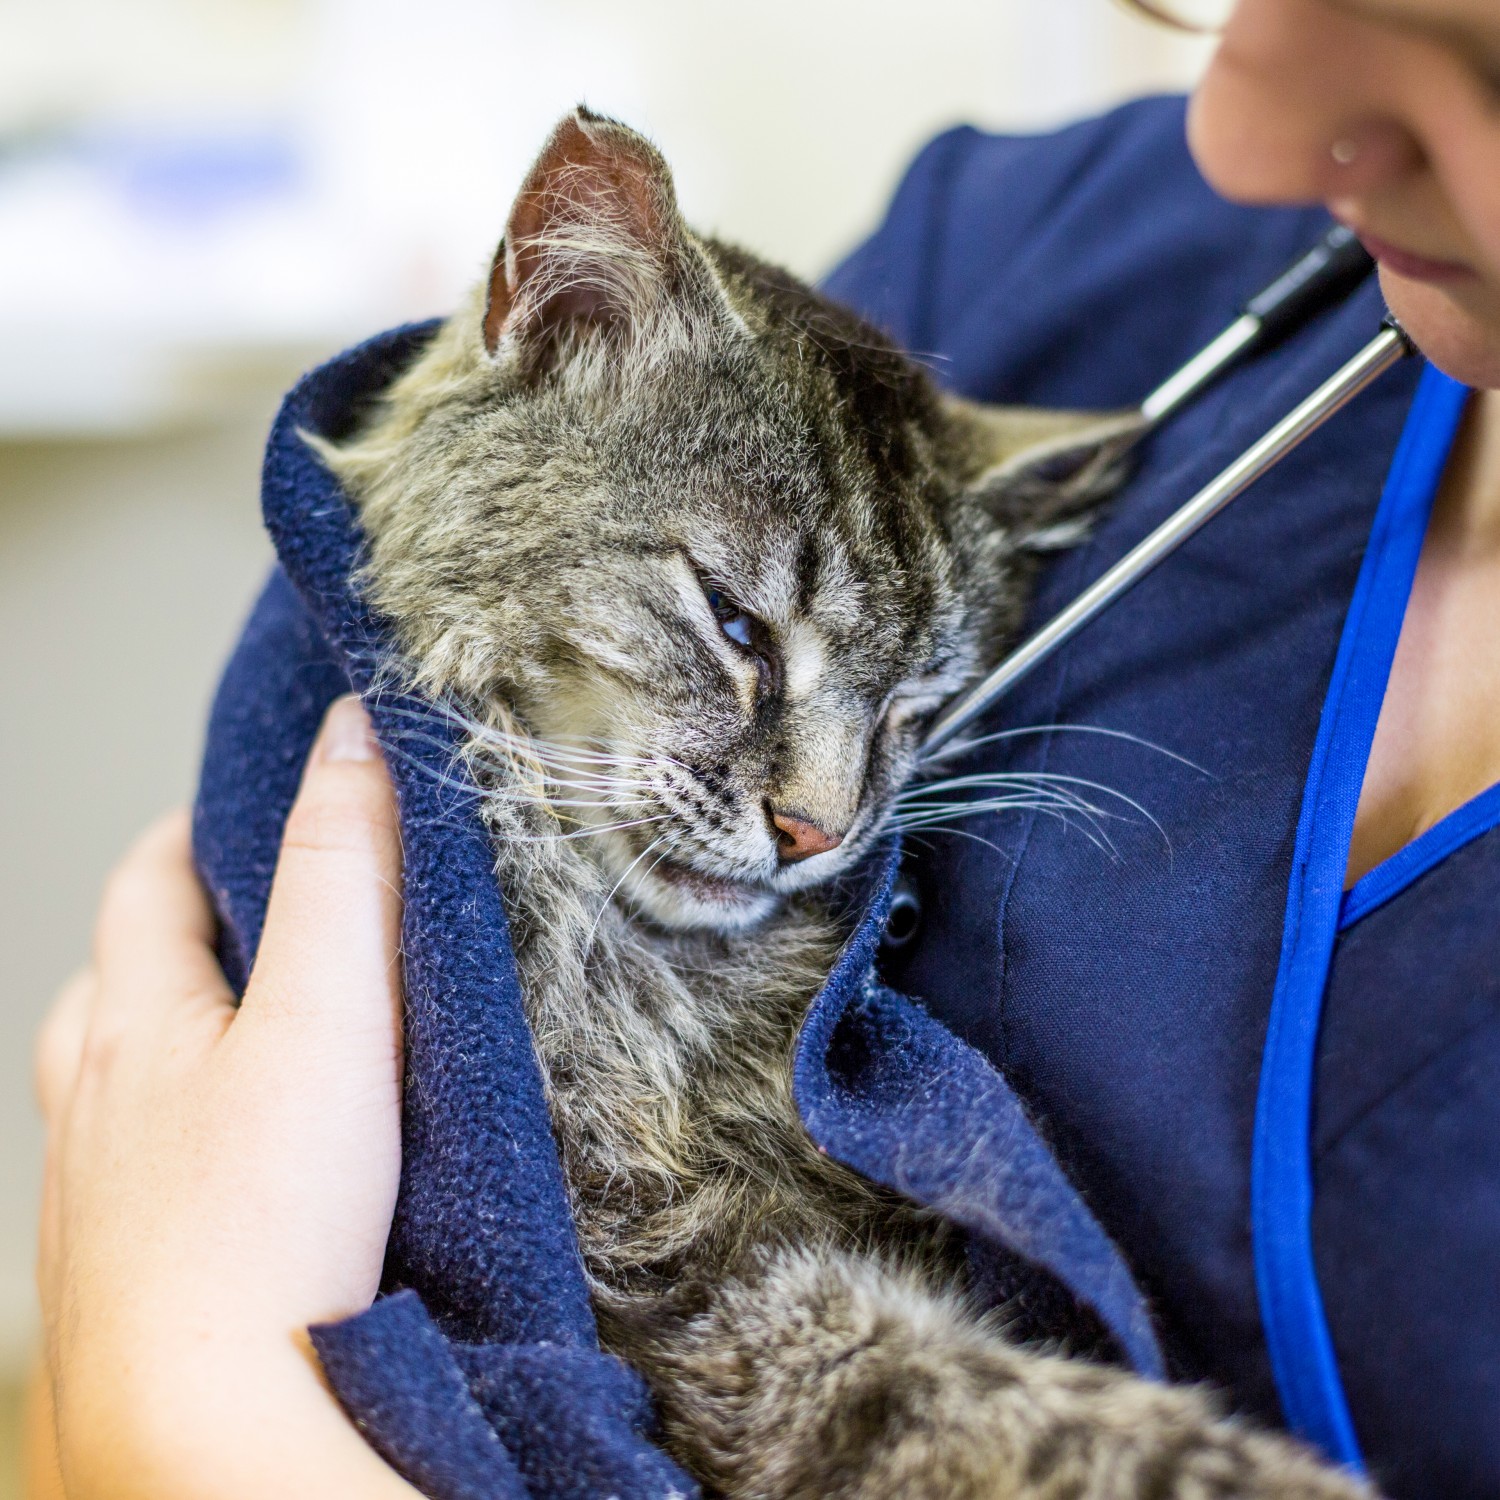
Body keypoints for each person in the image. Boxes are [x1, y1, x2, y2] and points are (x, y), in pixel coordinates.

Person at [28, 0, 1500, 1494]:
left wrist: (190, 1428)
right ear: (558, 324)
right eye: (734, 630)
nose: (822, 812)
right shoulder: (1034, 247)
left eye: (903, 720)